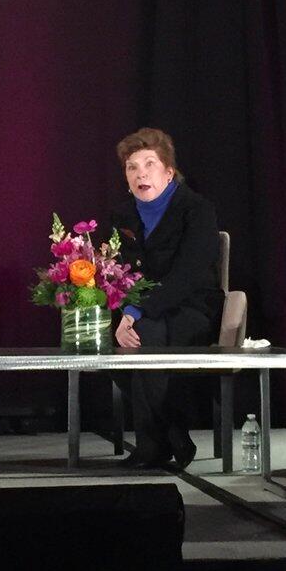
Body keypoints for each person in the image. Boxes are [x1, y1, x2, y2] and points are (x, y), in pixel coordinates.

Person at [110, 128, 224, 470]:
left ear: (169, 171)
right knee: (105, 341)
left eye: (149, 164)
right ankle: (173, 431)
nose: (141, 173)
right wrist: (125, 312)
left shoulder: (196, 209)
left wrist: (135, 312)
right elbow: (118, 272)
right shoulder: (123, 216)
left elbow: (188, 274)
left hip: (192, 306)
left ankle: (151, 444)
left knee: (148, 335)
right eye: (132, 167)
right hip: (141, 311)